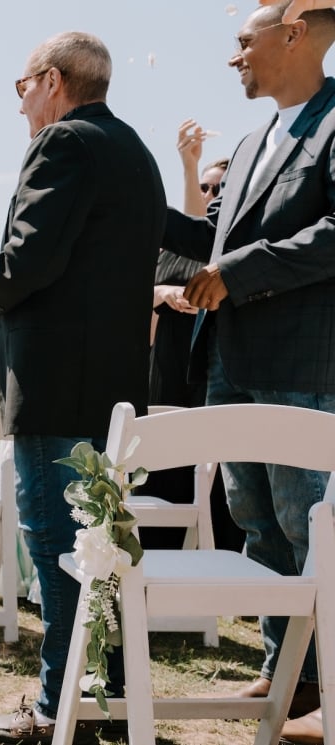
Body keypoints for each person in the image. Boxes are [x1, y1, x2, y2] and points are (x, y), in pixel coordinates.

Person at [0, 31, 165, 744]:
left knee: (57, 546)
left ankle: (57, 709)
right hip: (113, 389)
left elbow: (29, 259)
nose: (21, 105)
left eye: (22, 88)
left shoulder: (63, 142)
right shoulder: (135, 152)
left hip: (54, 385)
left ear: (51, 80)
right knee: (100, 546)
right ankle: (106, 692)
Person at [161, 3, 335, 737]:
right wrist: (135, 207)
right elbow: (212, 240)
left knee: (308, 526)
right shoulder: (250, 139)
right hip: (229, 361)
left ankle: (331, 687)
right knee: (257, 525)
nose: (234, 56)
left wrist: (238, 272)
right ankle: (286, 673)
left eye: (243, 40)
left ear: (293, 35)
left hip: (301, 363)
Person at [138, 134, 243, 552]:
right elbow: (133, 304)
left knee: (214, 493)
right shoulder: (166, 251)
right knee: (160, 483)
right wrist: (161, 293)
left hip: (209, 380)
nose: (210, 194)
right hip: (163, 378)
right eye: (204, 187)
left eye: (219, 189)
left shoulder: (229, 251)